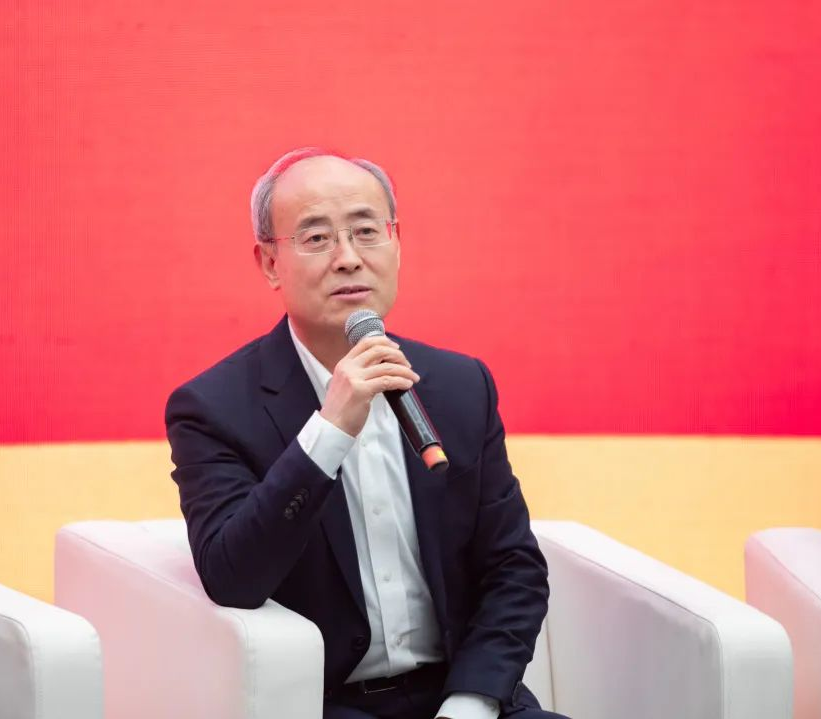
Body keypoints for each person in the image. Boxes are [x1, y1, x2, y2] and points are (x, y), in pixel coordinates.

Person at [165, 147, 569, 719]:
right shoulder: (213, 408)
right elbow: (233, 578)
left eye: (366, 231)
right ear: (270, 263)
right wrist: (330, 430)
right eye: (317, 238)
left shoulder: (460, 386)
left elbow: (514, 569)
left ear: (396, 244)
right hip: (325, 705)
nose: (349, 259)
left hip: (465, 697)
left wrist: (471, 703)